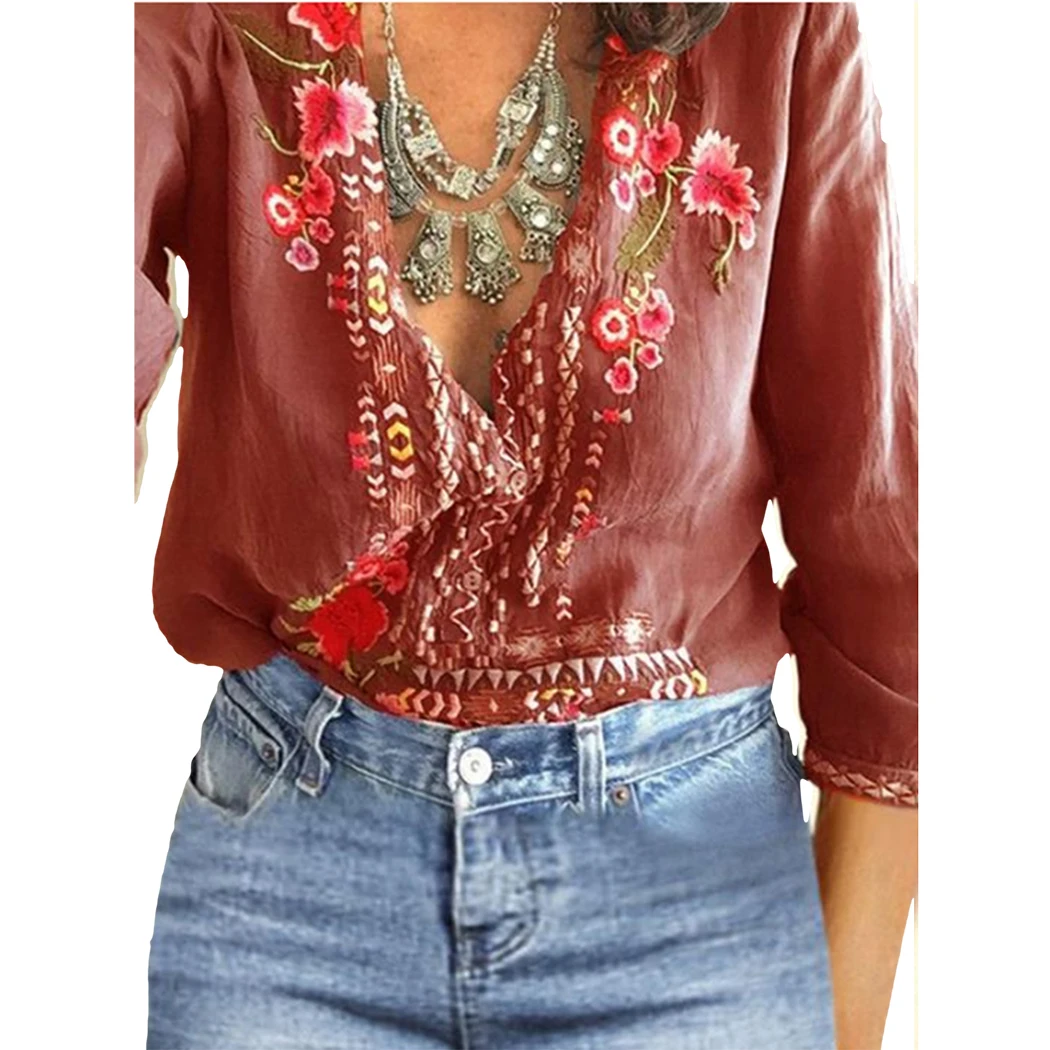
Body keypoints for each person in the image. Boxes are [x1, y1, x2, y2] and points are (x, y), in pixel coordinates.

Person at [136, 3, 918, 1048]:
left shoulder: (775, 22)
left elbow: (883, 554)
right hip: (290, 886)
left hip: (693, 903)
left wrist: (844, 1022)